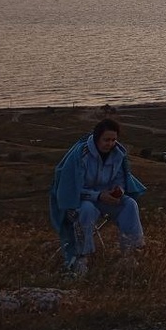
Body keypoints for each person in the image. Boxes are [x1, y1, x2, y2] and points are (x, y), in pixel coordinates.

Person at [49, 117, 147, 275]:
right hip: (81, 199)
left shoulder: (118, 154)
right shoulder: (81, 154)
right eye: (106, 140)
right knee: (87, 209)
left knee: (129, 204)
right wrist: (98, 196)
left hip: (106, 198)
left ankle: (130, 254)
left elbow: (121, 179)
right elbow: (73, 188)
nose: (110, 144)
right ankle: (81, 258)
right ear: (97, 138)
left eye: (113, 140)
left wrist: (119, 191)